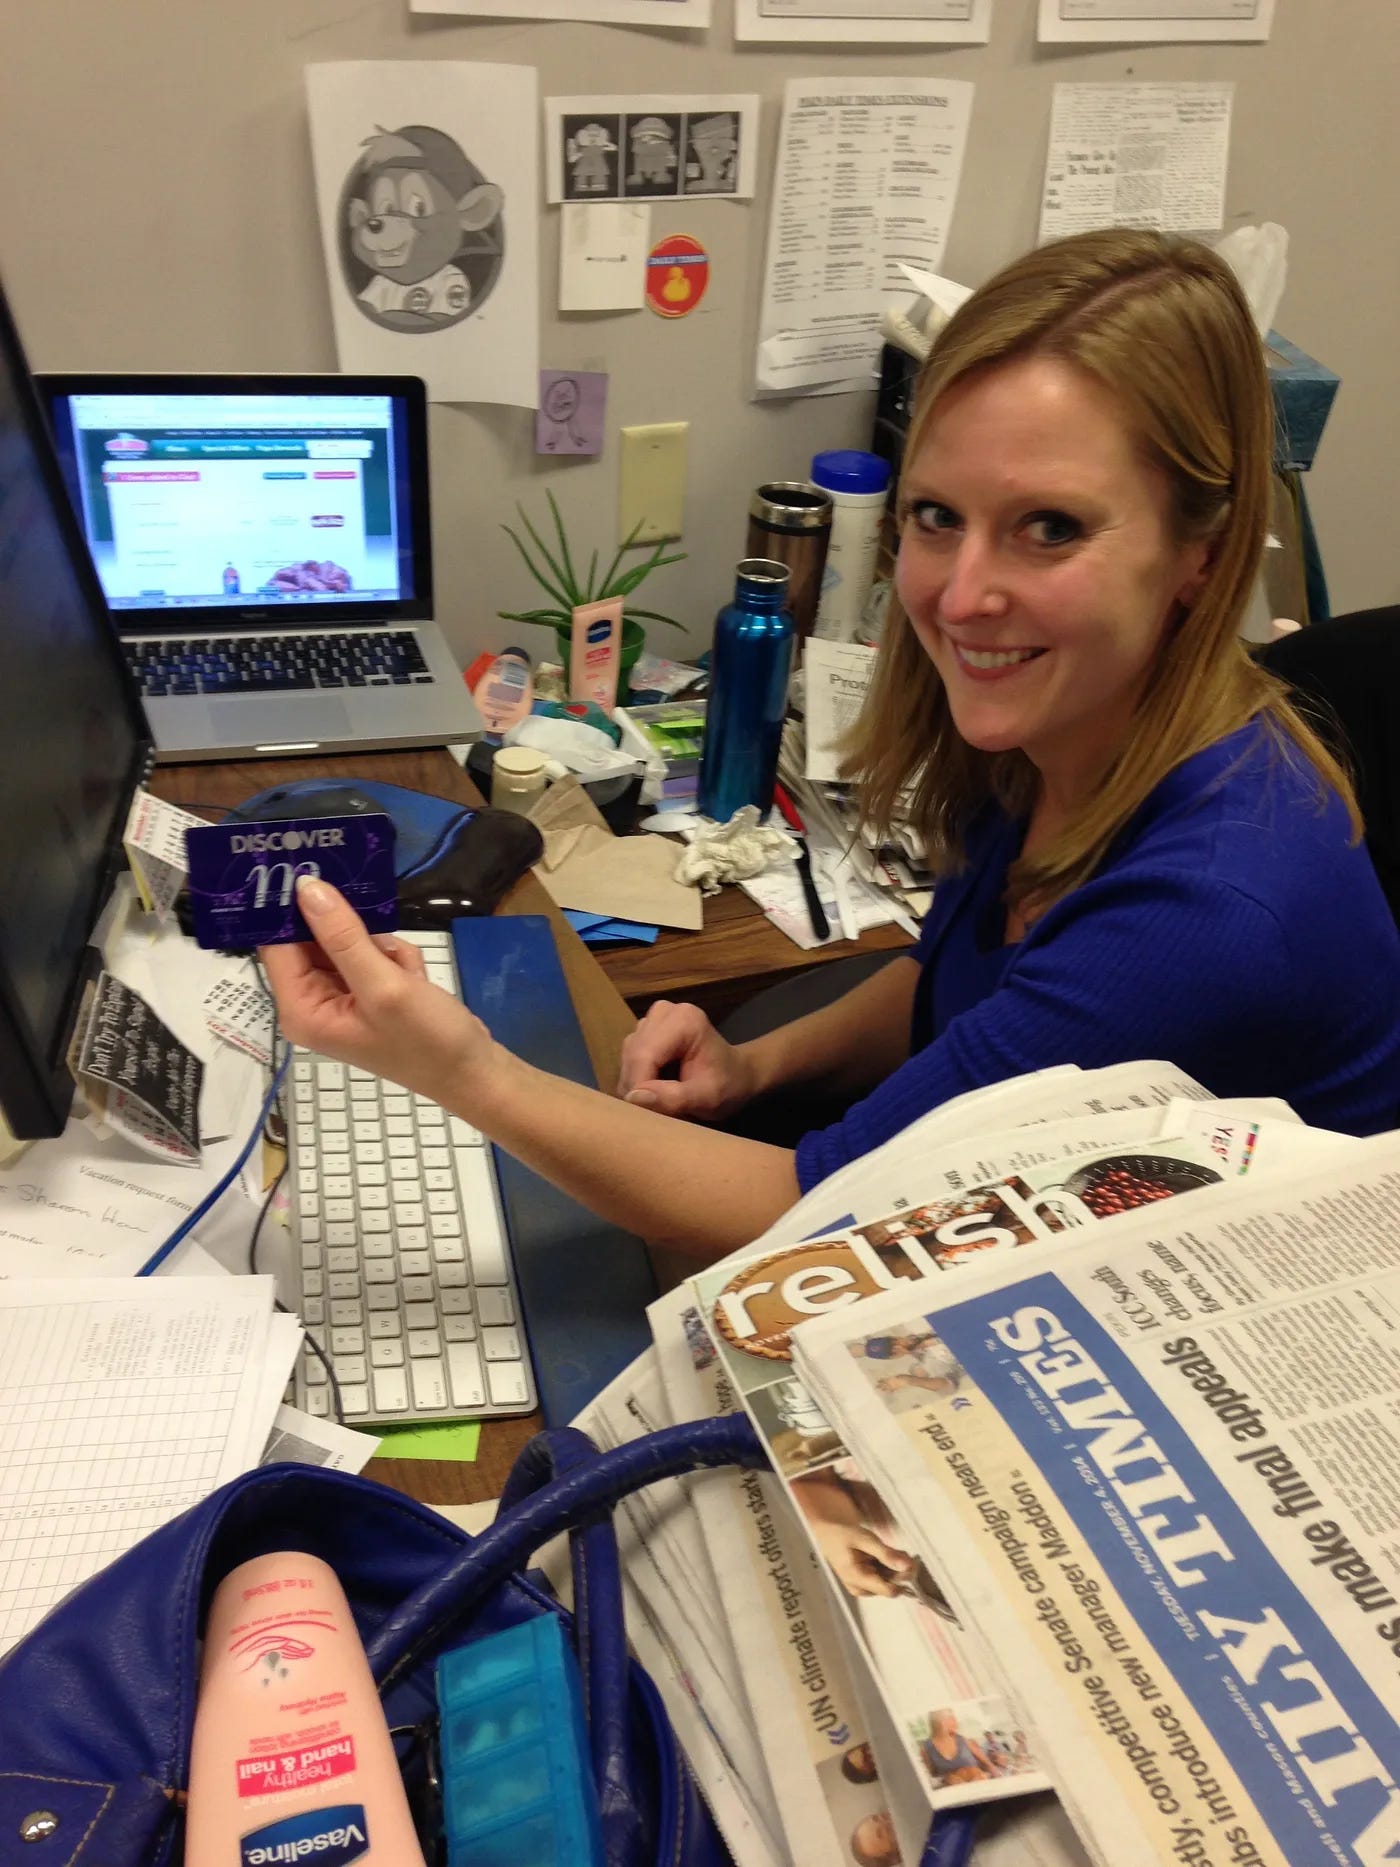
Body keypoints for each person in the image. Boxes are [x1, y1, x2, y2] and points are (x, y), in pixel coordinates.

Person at [263, 228, 1400, 1263]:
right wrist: (753, 1067)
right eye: (934, 514)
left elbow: (812, 1219)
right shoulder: (1063, 726)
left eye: (1048, 527)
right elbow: (949, 985)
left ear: (1197, 556)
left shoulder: (1204, 914)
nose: (959, 598)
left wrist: (455, 1069)